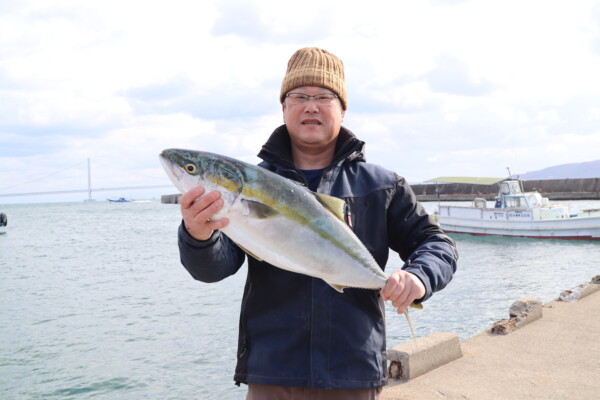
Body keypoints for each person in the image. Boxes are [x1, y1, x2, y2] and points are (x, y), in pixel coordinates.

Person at [177, 47, 458, 400]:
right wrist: (198, 236)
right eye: (299, 96)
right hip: (271, 373)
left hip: (352, 373)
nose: (311, 105)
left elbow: (437, 243)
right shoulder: (252, 188)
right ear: (283, 108)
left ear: (342, 109)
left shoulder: (381, 185)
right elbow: (212, 269)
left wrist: (417, 276)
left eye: (324, 96)